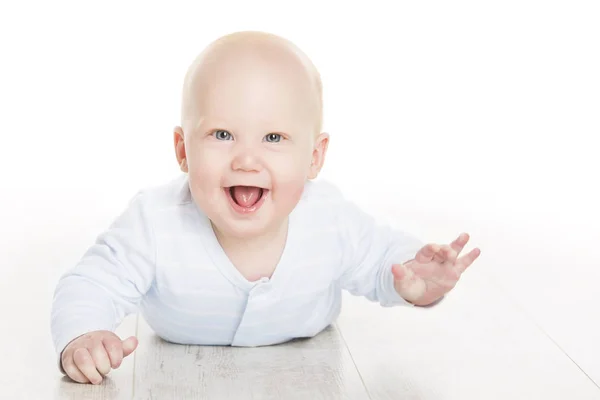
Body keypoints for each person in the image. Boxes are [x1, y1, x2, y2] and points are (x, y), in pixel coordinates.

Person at [51, 31, 481, 385]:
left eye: (273, 138)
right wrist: (84, 334)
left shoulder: (328, 219)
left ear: (314, 156)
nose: (246, 159)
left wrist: (418, 283)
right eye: (222, 134)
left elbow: (384, 260)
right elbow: (91, 283)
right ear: (183, 150)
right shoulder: (155, 222)